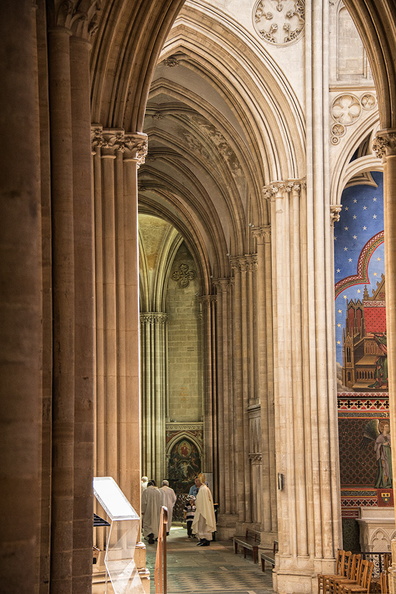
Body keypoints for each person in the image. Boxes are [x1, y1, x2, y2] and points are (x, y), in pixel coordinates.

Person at [192, 473, 216, 547]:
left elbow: (201, 501)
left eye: (197, 481)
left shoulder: (203, 489)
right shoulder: (204, 488)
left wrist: (194, 502)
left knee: (203, 526)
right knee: (202, 526)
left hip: (203, 511)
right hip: (203, 510)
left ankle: (205, 540)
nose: (195, 483)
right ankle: (203, 539)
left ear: (200, 481)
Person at [141, 479, 163, 544]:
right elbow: (161, 502)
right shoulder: (158, 491)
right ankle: (155, 535)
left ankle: (149, 534)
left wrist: (143, 510)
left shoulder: (146, 491)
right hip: (157, 510)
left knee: (147, 522)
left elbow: (143, 502)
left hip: (148, 509)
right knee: (155, 522)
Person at [374, 423, 392, 488]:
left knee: (389, 468)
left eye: (388, 427)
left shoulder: (389, 436)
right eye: (386, 426)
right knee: (384, 468)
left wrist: (389, 444)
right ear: (382, 428)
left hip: (389, 454)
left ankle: (389, 483)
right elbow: (376, 447)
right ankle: (384, 484)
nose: (387, 428)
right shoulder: (380, 437)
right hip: (382, 454)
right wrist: (382, 444)